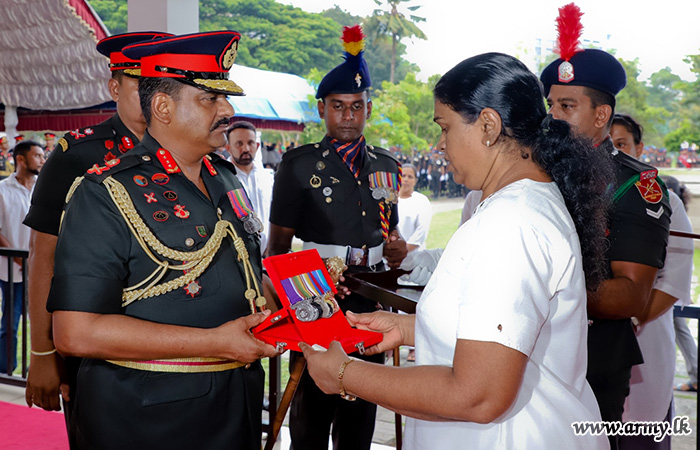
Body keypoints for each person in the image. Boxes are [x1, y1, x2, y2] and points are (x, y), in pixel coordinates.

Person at [300, 52, 611, 450]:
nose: (440, 144)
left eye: (445, 127)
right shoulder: (520, 205)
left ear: (488, 125)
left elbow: (478, 394)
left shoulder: (508, 223)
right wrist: (411, 329)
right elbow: (508, 334)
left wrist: (344, 374)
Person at [46, 30, 279, 449]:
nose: (227, 110)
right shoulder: (105, 193)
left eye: (225, 98)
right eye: (210, 98)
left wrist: (288, 301)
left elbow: (239, 276)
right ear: (163, 107)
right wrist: (215, 343)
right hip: (149, 419)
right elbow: (75, 333)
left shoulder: (225, 178)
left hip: (235, 404)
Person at [22, 32, 172, 432]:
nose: (153, 94)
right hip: (97, 350)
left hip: (176, 347)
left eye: (162, 82)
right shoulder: (78, 154)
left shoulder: (185, 153)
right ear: (114, 88)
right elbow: (44, 255)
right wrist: (42, 352)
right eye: (141, 83)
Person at [268, 24, 406, 450]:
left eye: (357, 106)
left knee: (362, 411)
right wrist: (293, 309)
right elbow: (277, 248)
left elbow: (390, 230)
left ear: (368, 109)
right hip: (318, 298)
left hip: (371, 297)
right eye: (338, 106)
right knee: (312, 412)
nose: (348, 115)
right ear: (322, 109)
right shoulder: (297, 164)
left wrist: (397, 247)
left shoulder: (386, 165)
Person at [540, 5, 670, 447]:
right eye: (551, 104)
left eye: (567, 106)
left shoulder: (636, 186)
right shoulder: (536, 172)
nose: (553, 116)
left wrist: (541, 292)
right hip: (531, 354)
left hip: (594, 363)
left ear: (601, 116)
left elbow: (632, 295)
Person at [609, 114, 693, 450]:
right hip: (594, 346)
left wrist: (626, 319)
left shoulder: (664, 201)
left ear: (639, 148)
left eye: (622, 144)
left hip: (646, 336)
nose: (614, 153)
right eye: (607, 145)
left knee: (643, 432)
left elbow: (672, 283)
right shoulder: (582, 199)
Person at [0, 140, 44, 374]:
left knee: (43, 322)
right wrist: (20, 260)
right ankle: (6, 370)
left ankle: (39, 368)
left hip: (42, 269)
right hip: (12, 269)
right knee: (11, 321)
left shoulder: (44, 188)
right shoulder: (2, 190)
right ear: (20, 159)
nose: (42, 160)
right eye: (37, 156)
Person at [226, 120, 274, 255]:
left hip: (266, 254)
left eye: (250, 143)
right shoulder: (221, 179)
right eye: (239, 144)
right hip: (235, 256)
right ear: (228, 148)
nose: (246, 149)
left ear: (257, 146)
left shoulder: (268, 178)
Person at [397, 164, 432, 252]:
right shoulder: (390, 200)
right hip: (391, 255)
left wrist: (403, 251)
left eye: (410, 177)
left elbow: (421, 231)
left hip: (414, 254)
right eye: (403, 176)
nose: (406, 179)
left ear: (415, 181)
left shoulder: (421, 201)